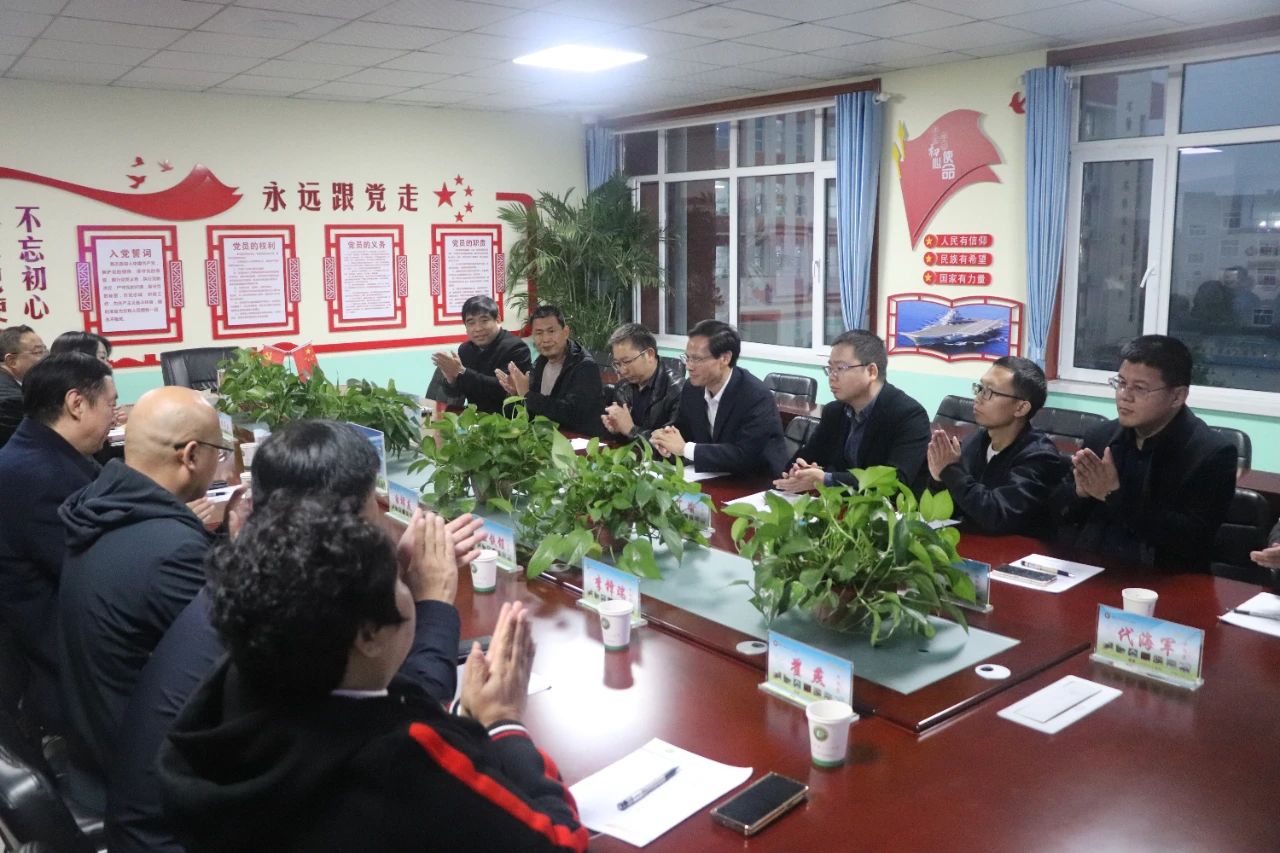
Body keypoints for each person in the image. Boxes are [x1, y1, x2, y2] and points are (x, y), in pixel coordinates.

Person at [105, 420, 484, 853]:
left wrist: (385, 571)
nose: (380, 523)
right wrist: (433, 599)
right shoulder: (284, 615)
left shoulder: (253, 581)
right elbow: (402, 720)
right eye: (372, 511)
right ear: (343, 527)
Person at [157, 497, 588, 853]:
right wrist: (504, 723)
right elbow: (560, 843)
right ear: (367, 634)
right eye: (401, 583)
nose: (410, 589)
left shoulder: (233, 687)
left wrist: (462, 721)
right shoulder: (399, 759)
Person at [56, 386, 225, 810]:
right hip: (149, 784)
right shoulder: (172, 552)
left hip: (97, 749)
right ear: (191, 455)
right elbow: (245, 659)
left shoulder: (100, 506)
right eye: (219, 453)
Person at [0, 353, 115, 733]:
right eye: (110, 404)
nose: (114, 417)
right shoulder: (40, 477)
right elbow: (102, 578)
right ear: (76, 404)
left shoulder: (40, 449)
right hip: (63, 667)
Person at [1054, 335, 1236, 572]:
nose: (1124, 395)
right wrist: (1079, 493)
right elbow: (1058, 513)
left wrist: (1112, 494)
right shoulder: (1101, 436)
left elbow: (1191, 540)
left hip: (1165, 580)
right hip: (1090, 569)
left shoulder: (1211, 453)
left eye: (1139, 388)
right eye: (1121, 383)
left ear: (1177, 396)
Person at [925, 357, 1067, 537]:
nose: (978, 398)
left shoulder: (1040, 456)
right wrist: (938, 479)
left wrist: (951, 471)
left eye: (989, 392)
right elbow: (949, 512)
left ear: (1021, 408)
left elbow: (997, 516)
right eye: (980, 388)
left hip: (1017, 550)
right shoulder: (976, 441)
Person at [776, 329, 929, 493]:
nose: (832, 376)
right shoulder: (834, 412)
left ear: (871, 371)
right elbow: (806, 456)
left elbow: (895, 482)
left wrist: (826, 479)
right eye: (830, 368)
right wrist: (799, 471)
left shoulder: (909, 416)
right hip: (841, 505)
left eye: (841, 368)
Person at [650, 319, 788, 477]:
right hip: (712, 476)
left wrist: (684, 449)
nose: (689, 366)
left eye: (697, 359)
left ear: (725, 358)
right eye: (687, 358)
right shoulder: (692, 389)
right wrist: (666, 440)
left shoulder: (755, 395)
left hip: (756, 482)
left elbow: (745, 455)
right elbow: (683, 431)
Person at [497, 304, 603, 437]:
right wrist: (516, 394)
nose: (545, 339)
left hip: (578, 442)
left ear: (565, 332)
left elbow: (573, 415)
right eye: (539, 333)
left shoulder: (585, 367)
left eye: (551, 331)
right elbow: (531, 411)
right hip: (545, 438)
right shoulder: (540, 362)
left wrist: (527, 394)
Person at [431, 295, 531, 414]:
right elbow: (455, 394)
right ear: (466, 327)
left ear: (498, 320)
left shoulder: (517, 348)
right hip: (474, 418)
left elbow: (503, 390)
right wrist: (451, 379)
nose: (478, 328)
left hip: (507, 419)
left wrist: (462, 371)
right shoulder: (465, 349)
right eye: (471, 322)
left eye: (484, 321)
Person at [601, 323, 683, 442]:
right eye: (617, 364)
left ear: (649, 354)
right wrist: (615, 430)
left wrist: (631, 430)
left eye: (627, 361)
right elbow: (622, 441)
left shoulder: (678, 391)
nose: (622, 370)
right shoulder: (623, 387)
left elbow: (671, 446)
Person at [0, 325, 48, 447]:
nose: (45, 358)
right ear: (11, 361)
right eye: (38, 352)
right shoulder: (12, 400)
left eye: (45, 351)